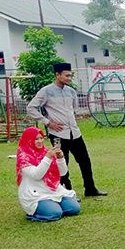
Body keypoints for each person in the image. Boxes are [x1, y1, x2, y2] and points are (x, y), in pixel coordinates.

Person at [26, 63, 106, 197]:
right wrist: (48, 122)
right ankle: (66, 192)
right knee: (62, 163)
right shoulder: (46, 91)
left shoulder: (71, 91)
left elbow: (74, 109)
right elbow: (31, 108)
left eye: (70, 75)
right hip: (58, 134)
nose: (69, 78)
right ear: (57, 75)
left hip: (74, 132)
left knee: (85, 161)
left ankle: (90, 189)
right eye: (67, 75)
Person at [16, 127, 80, 222]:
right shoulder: (24, 156)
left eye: (41, 138)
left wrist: (60, 158)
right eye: (36, 139)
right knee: (55, 213)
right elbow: (36, 175)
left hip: (52, 189)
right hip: (35, 192)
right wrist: (48, 158)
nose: (40, 141)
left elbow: (62, 173)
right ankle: (33, 214)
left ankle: (52, 205)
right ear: (29, 140)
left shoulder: (45, 152)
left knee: (74, 208)